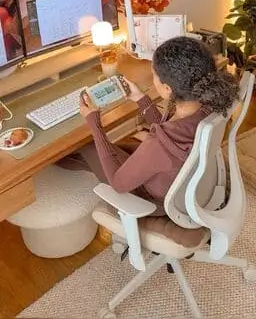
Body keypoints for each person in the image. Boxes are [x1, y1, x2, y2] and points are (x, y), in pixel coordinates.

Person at [59, 37, 239, 216]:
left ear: (167, 89)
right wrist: (140, 99)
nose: (153, 78)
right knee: (112, 149)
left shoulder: (159, 143)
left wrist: (95, 124)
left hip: (155, 201)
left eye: (154, 75)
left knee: (87, 146)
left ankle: (56, 170)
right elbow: (168, 130)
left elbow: (118, 183)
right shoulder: (207, 105)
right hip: (181, 183)